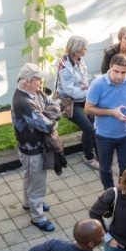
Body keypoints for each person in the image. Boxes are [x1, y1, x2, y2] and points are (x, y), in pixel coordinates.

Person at [12, 63, 61, 232]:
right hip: (32, 150)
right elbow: (47, 126)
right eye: (38, 79)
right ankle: (37, 216)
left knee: (30, 177)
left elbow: (54, 105)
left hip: (31, 148)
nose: (41, 82)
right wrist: (51, 118)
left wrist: (49, 114)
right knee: (37, 182)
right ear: (27, 81)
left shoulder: (34, 92)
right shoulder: (23, 102)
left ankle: (28, 204)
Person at [85, 54, 126, 190]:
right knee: (105, 168)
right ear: (110, 68)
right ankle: (109, 193)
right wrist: (112, 112)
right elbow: (88, 109)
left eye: (123, 72)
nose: (119, 76)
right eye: (116, 71)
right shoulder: (97, 85)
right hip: (104, 136)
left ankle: (123, 193)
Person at [56, 35, 99, 169]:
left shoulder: (80, 60)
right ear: (76, 50)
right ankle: (89, 158)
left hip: (81, 98)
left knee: (95, 125)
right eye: (84, 48)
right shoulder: (64, 66)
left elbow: (84, 76)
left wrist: (84, 83)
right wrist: (88, 91)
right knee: (88, 129)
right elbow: (70, 91)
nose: (86, 50)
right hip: (68, 102)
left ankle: (100, 153)